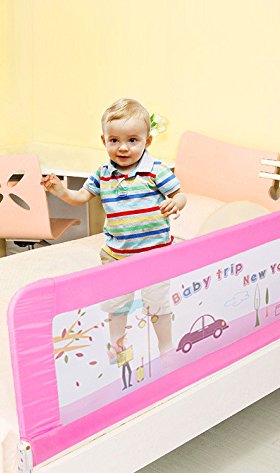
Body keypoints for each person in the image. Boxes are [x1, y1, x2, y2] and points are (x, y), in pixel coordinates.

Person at [41, 98, 187, 358]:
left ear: (147, 141)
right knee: (117, 306)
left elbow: (180, 195)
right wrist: (61, 191)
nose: (123, 147)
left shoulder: (156, 170)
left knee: (158, 305)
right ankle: (117, 348)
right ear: (104, 140)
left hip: (154, 255)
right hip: (117, 255)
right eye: (114, 140)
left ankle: (166, 348)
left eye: (133, 140)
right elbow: (80, 197)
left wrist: (175, 203)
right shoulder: (102, 174)